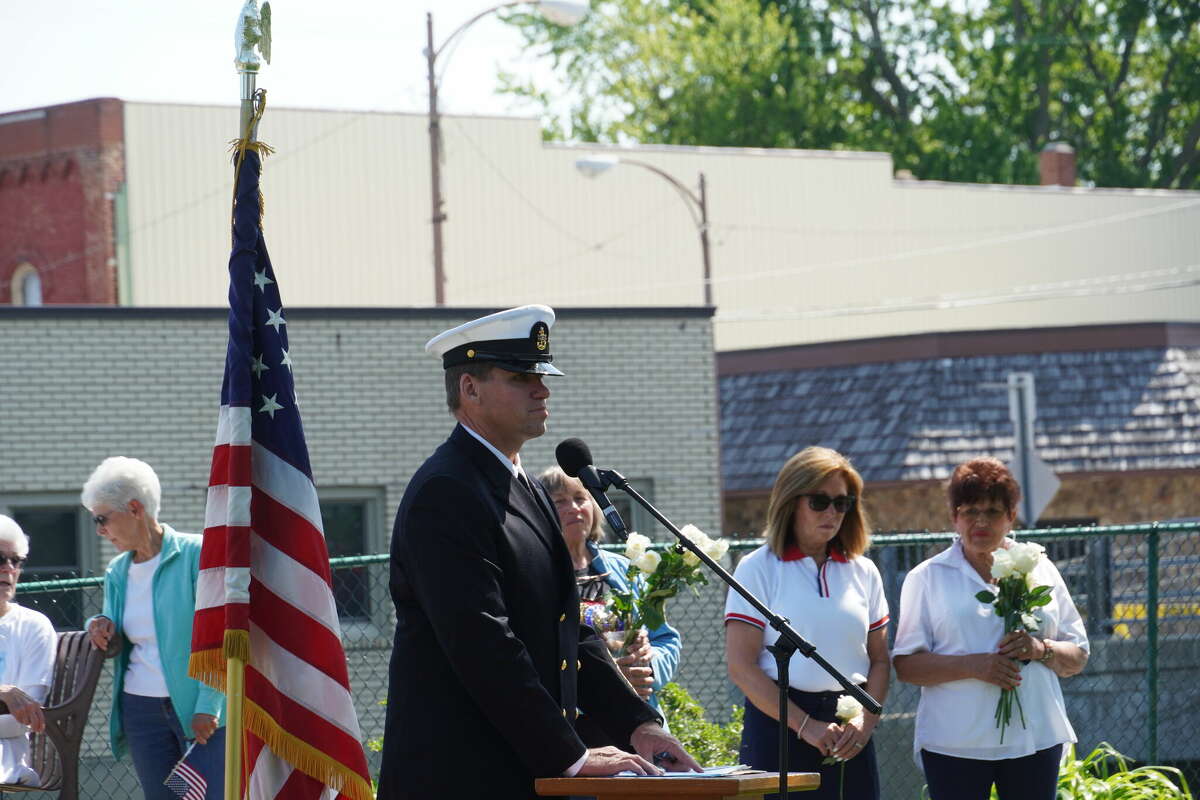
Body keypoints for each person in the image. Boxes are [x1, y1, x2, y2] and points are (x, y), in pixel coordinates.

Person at [376, 305, 699, 800]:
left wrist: (639, 725)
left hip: (526, 773)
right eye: (522, 377)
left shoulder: (526, 489)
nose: (542, 390)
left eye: (542, 377)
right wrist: (571, 756)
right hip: (460, 777)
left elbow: (571, 631)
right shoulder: (447, 491)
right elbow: (482, 641)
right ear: (470, 388)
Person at [892, 457, 1089, 800]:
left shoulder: (1040, 567)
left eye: (993, 511)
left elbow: (1078, 655)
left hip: (1035, 738)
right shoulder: (926, 578)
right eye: (970, 511)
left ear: (1011, 515)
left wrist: (1040, 649)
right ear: (954, 516)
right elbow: (907, 666)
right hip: (955, 743)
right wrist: (974, 665)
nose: (980, 521)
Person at [725, 446, 890, 800]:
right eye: (819, 501)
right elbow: (741, 666)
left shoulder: (864, 571)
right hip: (778, 727)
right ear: (791, 501)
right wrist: (806, 726)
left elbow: (879, 660)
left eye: (842, 503)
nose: (832, 512)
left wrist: (864, 722)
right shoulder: (758, 567)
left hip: (850, 733)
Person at [82, 457, 225, 800]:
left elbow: (221, 633)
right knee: (165, 797)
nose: (99, 530)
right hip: (141, 711)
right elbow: (112, 627)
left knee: (209, 796)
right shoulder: (117, 570)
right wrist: (97, 625)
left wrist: (209, 705)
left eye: (102, 519)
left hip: (198, 710)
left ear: (134, 508)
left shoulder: (198, 554)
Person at [538, 466, 682, 733]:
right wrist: (611, 682)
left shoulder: (625, 569)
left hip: (640, 723)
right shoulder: (537, 576)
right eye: (560, 502)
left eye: (580, 498)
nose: (574, 508)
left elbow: (665, 639)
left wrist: (648, 668)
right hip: (577, 729)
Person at [0, 515, 57, 786]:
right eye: (0, 559)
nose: (8, 569)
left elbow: (24, 718)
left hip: (7, 755)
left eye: (16, 560)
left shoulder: (34, 626)